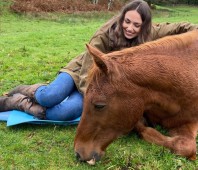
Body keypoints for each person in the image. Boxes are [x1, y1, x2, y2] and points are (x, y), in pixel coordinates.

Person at [1, 0, 198, 121]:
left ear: (144, 26)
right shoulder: (106, 33)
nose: (129, 28)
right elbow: (88, 67)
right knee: (48, 97)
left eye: (136, 25)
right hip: (82, 73)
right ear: (121, 19)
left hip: (105, 83)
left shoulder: (150, 33)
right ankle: (23, 90)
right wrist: (91, 96)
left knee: (63, 113)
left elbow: (180, 27)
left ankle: (20, 103)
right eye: (127, 21)